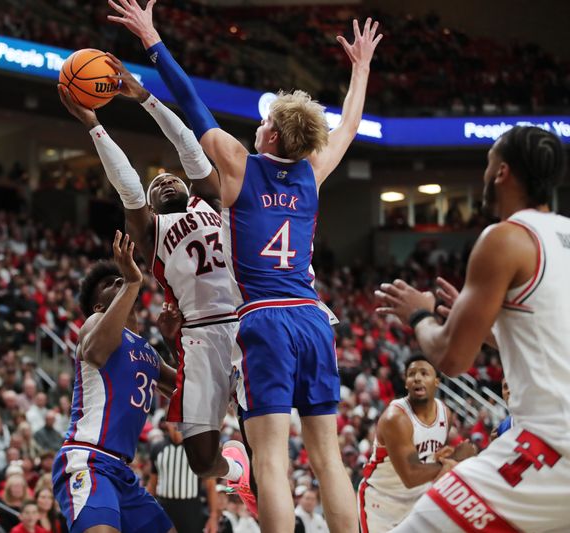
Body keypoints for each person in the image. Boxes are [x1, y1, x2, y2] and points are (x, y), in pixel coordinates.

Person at [109, 2, 381, 530]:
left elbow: (190, 100)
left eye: (265, 122)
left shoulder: (238, 166)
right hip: (313, 318)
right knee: (329, 460)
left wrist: (151, 38)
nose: (258, 126)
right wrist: (361, 67)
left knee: (272, 461)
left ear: (273, 136)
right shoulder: (311, 171)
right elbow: (348, 123)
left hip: (265, 321)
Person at [58, 54, 249, 499]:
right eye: (155, 184)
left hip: (244, 320)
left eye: (171, 179)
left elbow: (189, 146)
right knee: (201, 460)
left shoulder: (212, 199)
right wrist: (94, 125)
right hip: (200, 334)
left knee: (260, 424)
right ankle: (235, 472)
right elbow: (126, 182)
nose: (164, 180)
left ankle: (260, 474)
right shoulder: (152, 233)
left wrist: (145, 97)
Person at [375, 126, 569, 532]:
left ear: (502, 172)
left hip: (552, 447)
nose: (484, 175)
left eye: (487, 164)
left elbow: (451, 359)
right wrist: (476, 324)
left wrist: (419, 314)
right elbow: (546, 345)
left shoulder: (506, 238)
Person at [52, 232, 177, 533]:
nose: (119, 281)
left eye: (120, 279)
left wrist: (174, 341)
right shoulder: (95, 324)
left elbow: (187, 389)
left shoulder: (147, 350)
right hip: (88, 458)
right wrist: (132, 283)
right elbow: (95, 351)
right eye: (110, 284)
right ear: (98, 306)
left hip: (122, 470)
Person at [358, 355, 473, 532]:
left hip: (419, 498)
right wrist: (456, 459)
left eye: (424, 373)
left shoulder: (445, 413)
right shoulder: (395, 418)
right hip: (383, 502)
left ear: (436, 381)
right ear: (406, 383)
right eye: (411, 374)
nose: (417, 378)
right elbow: (410, 476)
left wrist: (444, 458)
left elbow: (430, 461)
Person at [148, 422, 217, 532]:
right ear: (167, 423)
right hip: (164, 508)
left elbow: (210, 485)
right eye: (173, 420)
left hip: (191, 510)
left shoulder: (198, 449)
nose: (177, 424)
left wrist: (213, 516)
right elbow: (152, 484)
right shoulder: (157, 448)